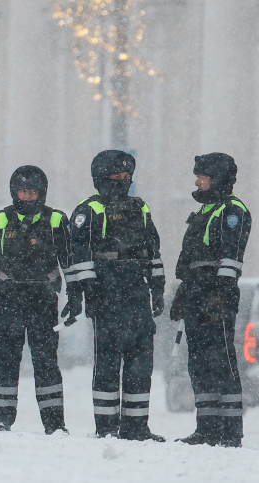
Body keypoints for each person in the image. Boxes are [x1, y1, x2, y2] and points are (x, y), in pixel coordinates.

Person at [62, 150, 166, 441]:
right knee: (108, 361)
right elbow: (78, 255)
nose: (122, 182)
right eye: (115, 177)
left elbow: (153, 251)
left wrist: (157, 287)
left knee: (140, 361)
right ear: (101, 178)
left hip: (136, 292)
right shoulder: (89, 210)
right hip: (108, 292)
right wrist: (87, 292)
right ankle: (107, 427)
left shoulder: (139, 207)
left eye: (126, 177)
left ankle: (137, 427)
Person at [0, 165, 71, 434]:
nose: (27, 197)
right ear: (14, 192)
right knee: (4, 361)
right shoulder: (0, 220)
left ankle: (55, 424)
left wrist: (76, 297)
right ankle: (2, 419)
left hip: (43, 301)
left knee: (46, 362)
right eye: (22, 191)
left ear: (42, 193)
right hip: (7, 300)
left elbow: (69, 262)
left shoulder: (57, 220)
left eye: (32, 191)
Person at [170, 152, 251, 447]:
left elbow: (230, 257)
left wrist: (220, 292)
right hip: (196, 292)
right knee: (199, 361)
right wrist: (184, 289)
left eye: (201, 176)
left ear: (216, 178)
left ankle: (230, 431)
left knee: (222, 360)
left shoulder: (232, 211)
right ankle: (207, 427)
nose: (196, 181)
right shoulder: (206, 210)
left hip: (216, 294)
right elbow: (192, 257)